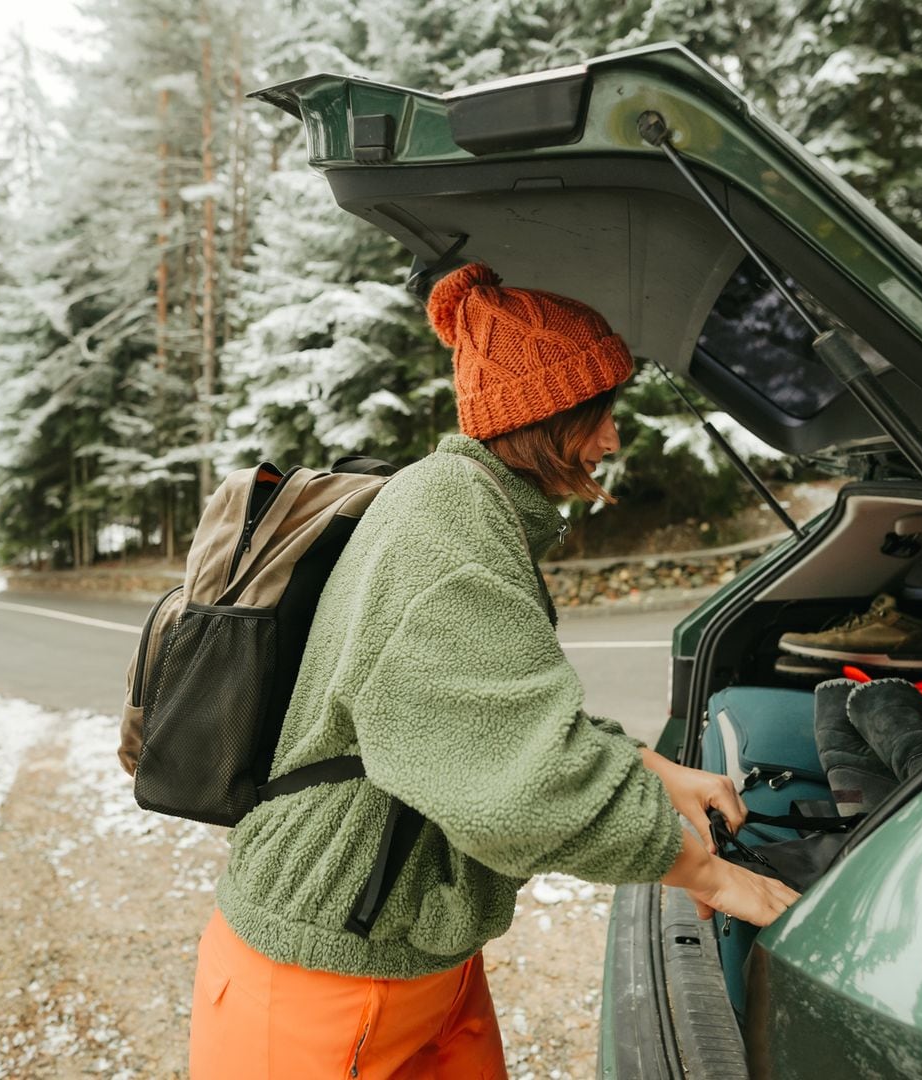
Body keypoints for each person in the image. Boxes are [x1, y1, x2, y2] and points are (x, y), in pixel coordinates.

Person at [188, 263, 800, 1078]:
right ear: (545, 413)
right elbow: (521, 782)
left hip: (411, 950)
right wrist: (710, 875)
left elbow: (510, 708)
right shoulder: (447, 525)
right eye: (600, 412)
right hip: (322, 975)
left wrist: (659, 774)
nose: (613, 439)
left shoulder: (468, 508)